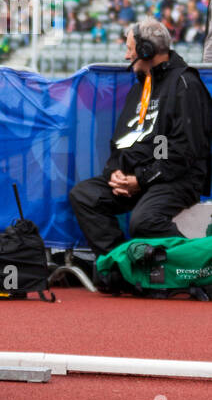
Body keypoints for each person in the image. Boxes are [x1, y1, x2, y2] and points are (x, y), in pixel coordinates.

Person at [68, 18, 211, 256]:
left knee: (144, 221)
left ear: (146, 51)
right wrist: (116, 173)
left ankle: (199, 266)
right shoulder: (141, 87)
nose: (126, 57)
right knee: (85, 195)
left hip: (176, 180)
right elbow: (121, 142)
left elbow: (184, 152)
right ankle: (120, 266)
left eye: (129, 49)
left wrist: (141, 180)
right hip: (139, 178)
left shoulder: (185, 84)